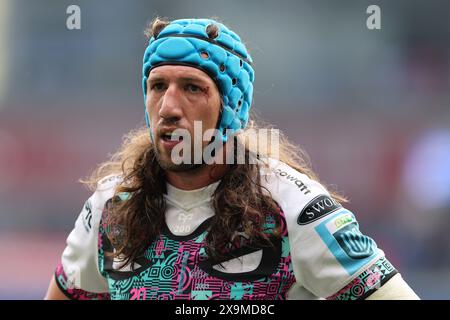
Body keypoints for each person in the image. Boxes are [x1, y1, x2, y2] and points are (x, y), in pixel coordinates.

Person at [45, 17, 419, 300]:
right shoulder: (110, 207)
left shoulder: (293, 210)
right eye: (158, 86)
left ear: (232, 109)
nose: (169, 108)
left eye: (193, 88)